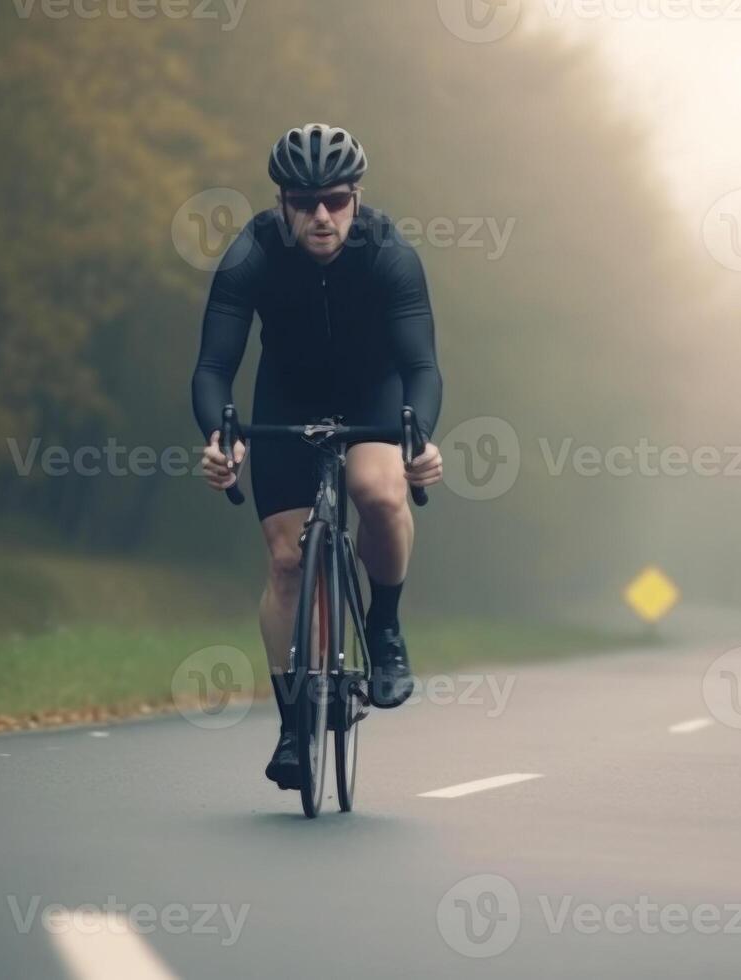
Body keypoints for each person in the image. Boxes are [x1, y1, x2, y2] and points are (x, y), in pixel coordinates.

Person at [191, 123, 445, 790]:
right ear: (281, 203)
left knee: (380, 491)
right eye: (304, 202)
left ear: (356, 197)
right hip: (286, 397)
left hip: (372, 390)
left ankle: (384, 626)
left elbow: (422, 366)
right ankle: (291, 726)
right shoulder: (252, 253)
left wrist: (420, 442)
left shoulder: (389, 253)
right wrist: (221, 439)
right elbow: (214, 367)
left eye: (334, 199)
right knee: (285, 562)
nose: (321, 216)